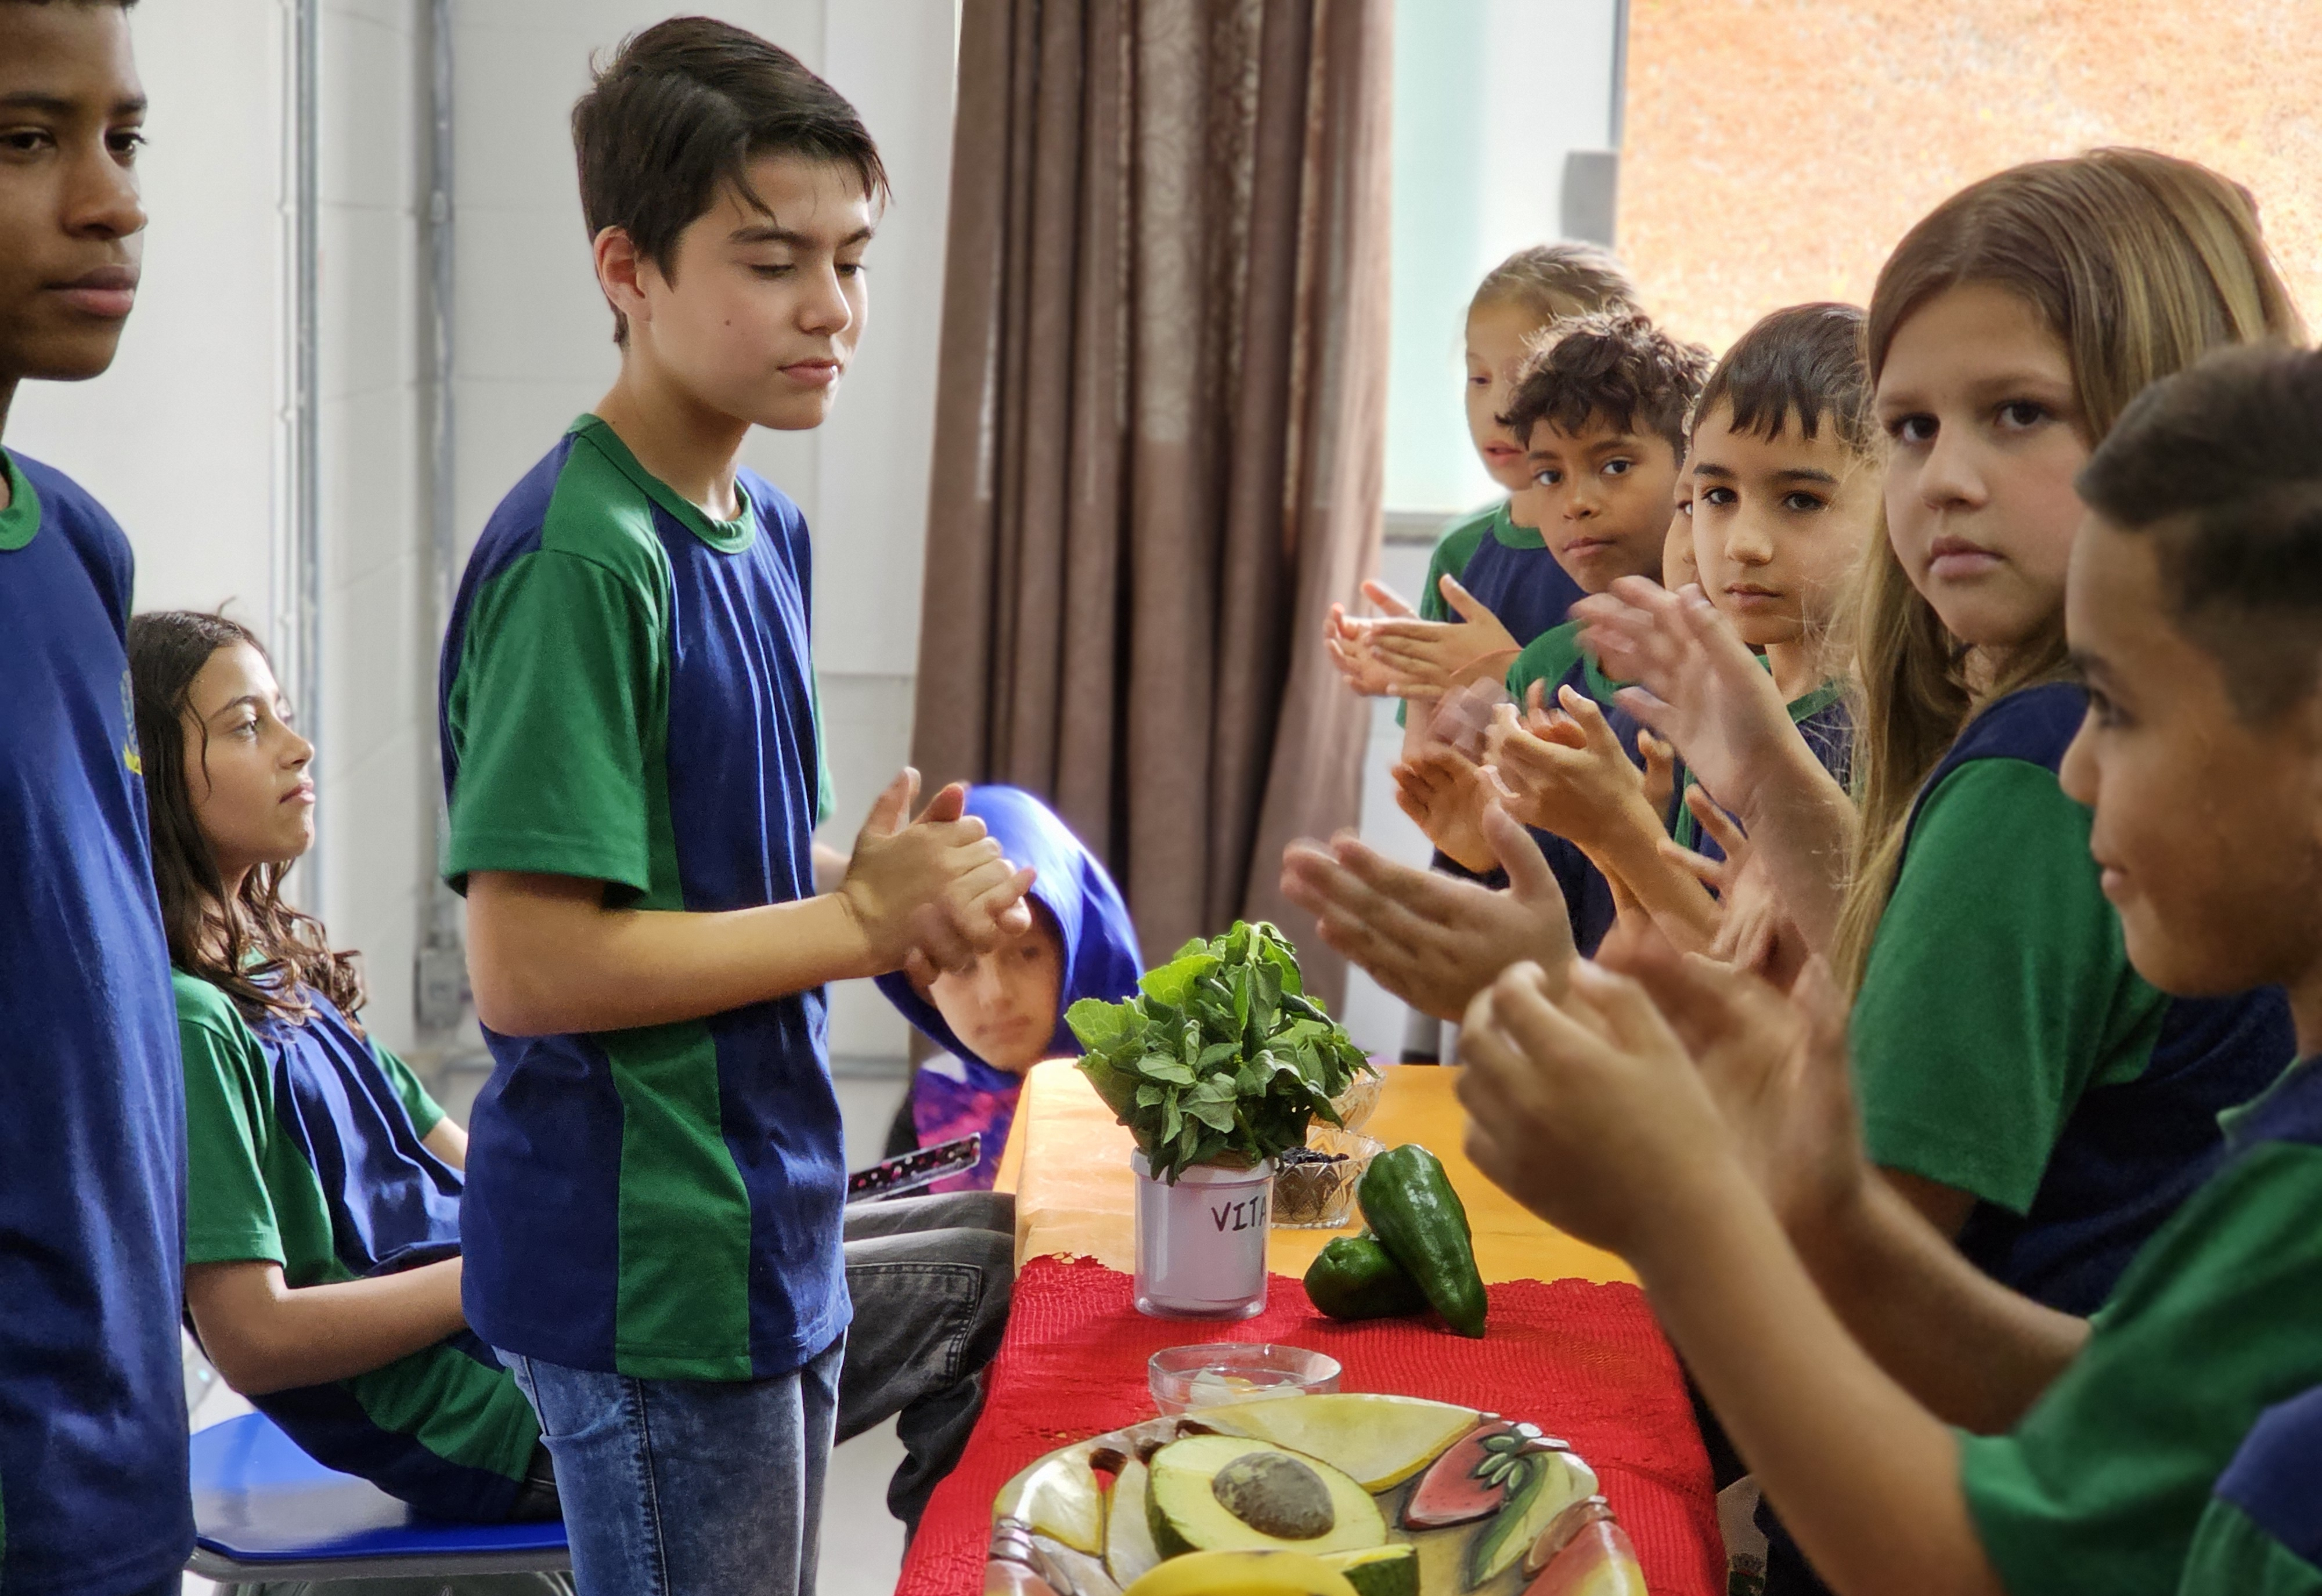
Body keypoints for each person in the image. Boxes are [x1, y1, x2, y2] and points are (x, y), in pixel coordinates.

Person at [1455, 339, 2322, 1596]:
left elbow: (1967, 1555)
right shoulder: (2285, 1146)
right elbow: (2113, 1403)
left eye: (2117, 712)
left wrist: (1678, 1208)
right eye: (1911, 428)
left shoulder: (2017, 778)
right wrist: (1824, 1204)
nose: (2074, 768)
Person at [438, 21, 1033, 1594]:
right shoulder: (584, 558)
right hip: (648, 1270)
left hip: (767, 1216)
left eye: (849, 258)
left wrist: (902, 896)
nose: (829, 309)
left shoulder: (756, 517)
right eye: (771, 261)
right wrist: (853, 918)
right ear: (625, 268)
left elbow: (731, 869)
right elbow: (533, 968)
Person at [135, 610, 567, 1594]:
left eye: (282, 714)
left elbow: (458, 1155)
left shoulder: (275, 960)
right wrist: (512, 1265)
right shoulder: (196, 1022)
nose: (300, 746)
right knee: (955, 1277)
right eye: (248, 727)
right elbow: (255, 1337)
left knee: (819, 1250)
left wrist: (590, 1197)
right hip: (494, 1421)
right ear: (157, 775)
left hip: (528, 1343)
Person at [0, 3, 194, 1592]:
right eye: (23, 140)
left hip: (122, 1466)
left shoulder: (71, 544)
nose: (109, 198)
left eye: (120, 137)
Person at [1484, 304, 1879, 958]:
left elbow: (1781, 999)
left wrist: (1619, 830)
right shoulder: (1725, 711)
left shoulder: (1883, 733)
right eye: (1717, 497)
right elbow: (1681, 963)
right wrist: (1596, 824)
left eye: (1801, 500)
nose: (1742, 545)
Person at [1395, 309, 1709, 958]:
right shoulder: (1540, 670)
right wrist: (1486, 852)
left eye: (1615, 465)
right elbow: (1551, 916)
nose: (1575, 501)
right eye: (1549, 475)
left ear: (1691, 474)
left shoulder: (1738, 678)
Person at [1324, 243, 1639, 703]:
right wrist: (1421, 672)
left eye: (1526, 379)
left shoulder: (1637, 547)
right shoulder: (1461, 554)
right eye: (1480, 380)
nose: (1498, 410)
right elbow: (1425, 762)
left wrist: (1501, 671)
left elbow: (1650, 739)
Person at [875, 785, 1143, 1194]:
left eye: (1027, 953)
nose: (996, 994)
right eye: (961, 966)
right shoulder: (930, 1107)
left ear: (1078, 947)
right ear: (922, 983)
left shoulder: (1159, 1095)